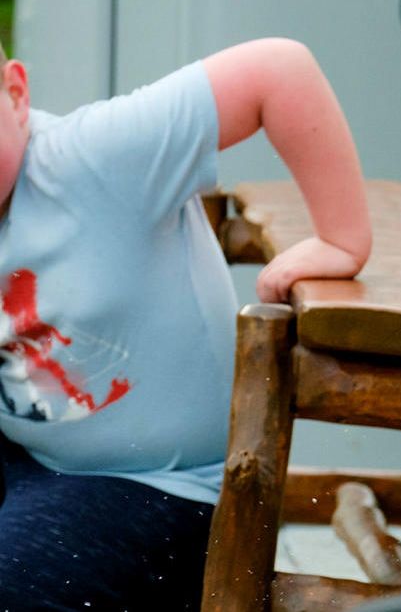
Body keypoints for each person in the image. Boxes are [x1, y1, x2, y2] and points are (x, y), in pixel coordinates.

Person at [0, 37, 372, 610]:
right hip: (32, 461)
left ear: (16, 94)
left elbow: (280, 68)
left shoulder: (94, 157)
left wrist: (340, 238)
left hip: (164, 487)